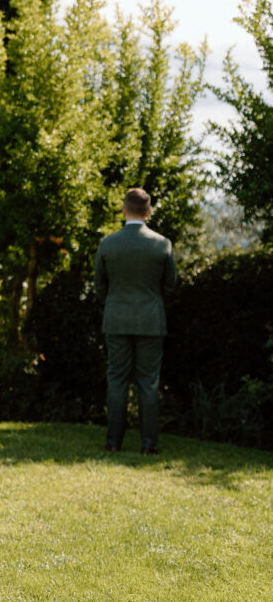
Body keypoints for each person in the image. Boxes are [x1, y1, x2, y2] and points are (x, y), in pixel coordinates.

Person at [94, 187, 176, 455]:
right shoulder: (162, 244)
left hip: (116, 319)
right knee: (149, 382)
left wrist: (114, 304)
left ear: (123, 210)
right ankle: (148, 445)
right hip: (151, 321)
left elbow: (99, 287)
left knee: (116, 380)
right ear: (148, 212)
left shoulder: (107, 244)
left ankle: (113, 442)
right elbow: (170, 287)